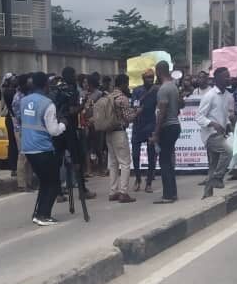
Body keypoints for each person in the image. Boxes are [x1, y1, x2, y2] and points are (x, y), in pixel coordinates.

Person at [20, 72, 66, 226]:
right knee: (53, 182)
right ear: (46, 84)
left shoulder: (24, 101)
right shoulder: (48, 104)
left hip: (28, 148)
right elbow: (54, 130)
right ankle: (43, 215)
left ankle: (39, 213)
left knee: (45, 182)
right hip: (43, 148)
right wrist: (63, 124)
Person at [52, 67, 96, 201]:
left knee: (57, 160)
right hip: (69, 128)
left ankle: (58, 193)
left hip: (57, 128)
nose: (76, 77)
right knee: (77, 159)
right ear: (70, 76)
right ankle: (82, 191)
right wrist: (82, 105)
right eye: (74, 74)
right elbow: (72, 110)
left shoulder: (58, 88)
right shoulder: (72, 90)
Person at [196, 68, 235, 199]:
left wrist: (228, 124)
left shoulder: (229, 96)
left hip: (221, 134)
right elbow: (199, 117)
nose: (228, 79)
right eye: (226, 77)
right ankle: (218, 178)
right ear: (217, 79)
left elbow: (227, 114)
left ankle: (207, 194)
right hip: (210, 135)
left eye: (229, 76)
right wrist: (213, 124)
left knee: (213, 165)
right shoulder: (210, 95)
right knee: (228, 152)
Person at [150, 61, 181, 204]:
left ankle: (168, 195)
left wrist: (156, 132)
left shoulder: (163, 89)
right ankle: (172, 193)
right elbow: (179, 107)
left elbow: (161, 112)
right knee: (168, 160)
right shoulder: (174, 87)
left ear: (158, 71)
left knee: (164, 162)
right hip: (175, 125)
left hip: (167, 126)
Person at [104, 73, 138, 203]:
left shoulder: (108, 96)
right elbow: (128, 117)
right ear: (123, 84)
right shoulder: (122, 98)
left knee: (113, 163)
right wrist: (137, 112)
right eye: (127, 84)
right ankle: (123, 192)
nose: (127, 86)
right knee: (125, 163)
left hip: (108, 132)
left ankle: (113, 191)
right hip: (119, 132)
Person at [130, 69, 159, 193]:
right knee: (135, 155)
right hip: (138, 125)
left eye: (152, 77)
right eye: (148, 77)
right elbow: (134, 105)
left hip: (151, 124)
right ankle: (138, 179)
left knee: (151, 155)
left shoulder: (156, 90)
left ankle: (149, 182)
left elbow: (160, 105)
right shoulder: (137, 90)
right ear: (143, 78)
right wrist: (142, 101)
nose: (150, 79)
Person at [11, 73, 33, 191]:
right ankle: (21, 184)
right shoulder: (18, 98)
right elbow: (20, 116)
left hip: (28, 128)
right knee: (23, 155)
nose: (30, 85)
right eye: (28, 83)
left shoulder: (27, 95)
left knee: (29, 157)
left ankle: (29, 182)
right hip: (21, 129)